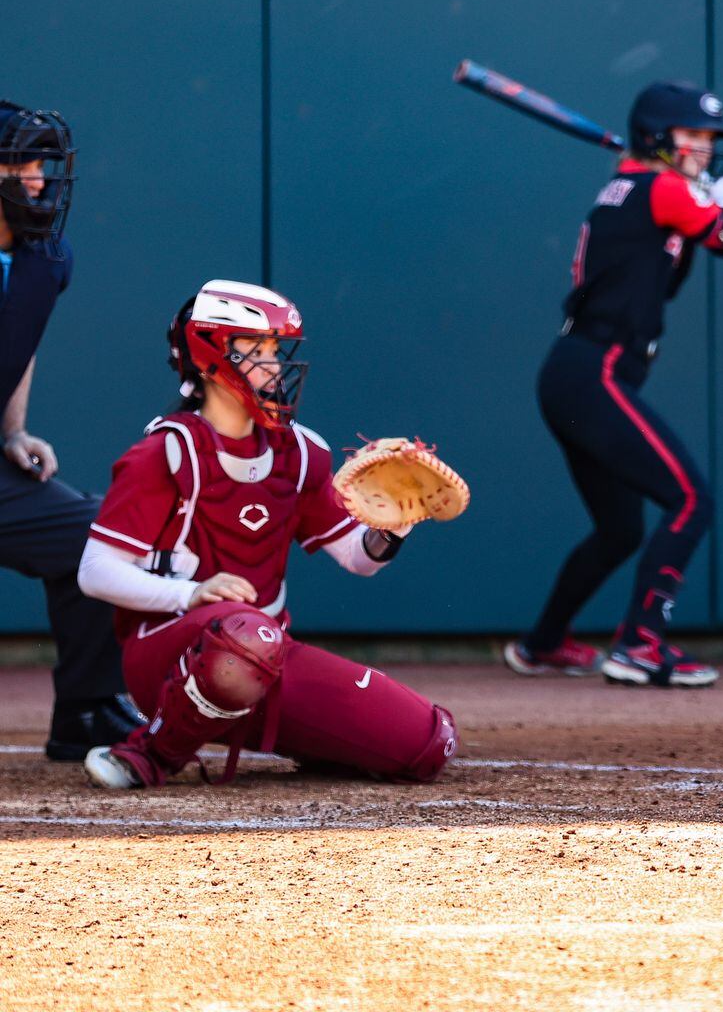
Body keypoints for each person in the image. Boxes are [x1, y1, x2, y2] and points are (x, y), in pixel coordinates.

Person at [78, 279, 457, 788]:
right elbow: (95, 572)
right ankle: (148, 754)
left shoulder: (299, 452)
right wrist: (191, 594)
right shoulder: (165, 452)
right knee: (246, 633)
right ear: (210, 357)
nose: (274, 365)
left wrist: (393, 528)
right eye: (255, 350)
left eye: (275, 350)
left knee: (428, 743)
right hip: (167, 654)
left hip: (264, 656)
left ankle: (317, 743)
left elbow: (358, 558)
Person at [503, 81, 723, 688]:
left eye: (707, 137)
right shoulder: (664, 190)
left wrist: (706, 199)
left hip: (575, 374)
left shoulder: (638, 187)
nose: (702, 147)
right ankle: (640, 646)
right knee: (691, 499)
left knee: (620, 529)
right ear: (656, 137)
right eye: (691, 134)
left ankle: (542, 644)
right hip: (595, 372)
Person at [0, 99, 144, 760]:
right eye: (20, 162)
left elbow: (17, 344)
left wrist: (14, 433)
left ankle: (86, 709)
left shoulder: (42, 260)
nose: (37, 179)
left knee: (94, 536)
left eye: (42, 163)